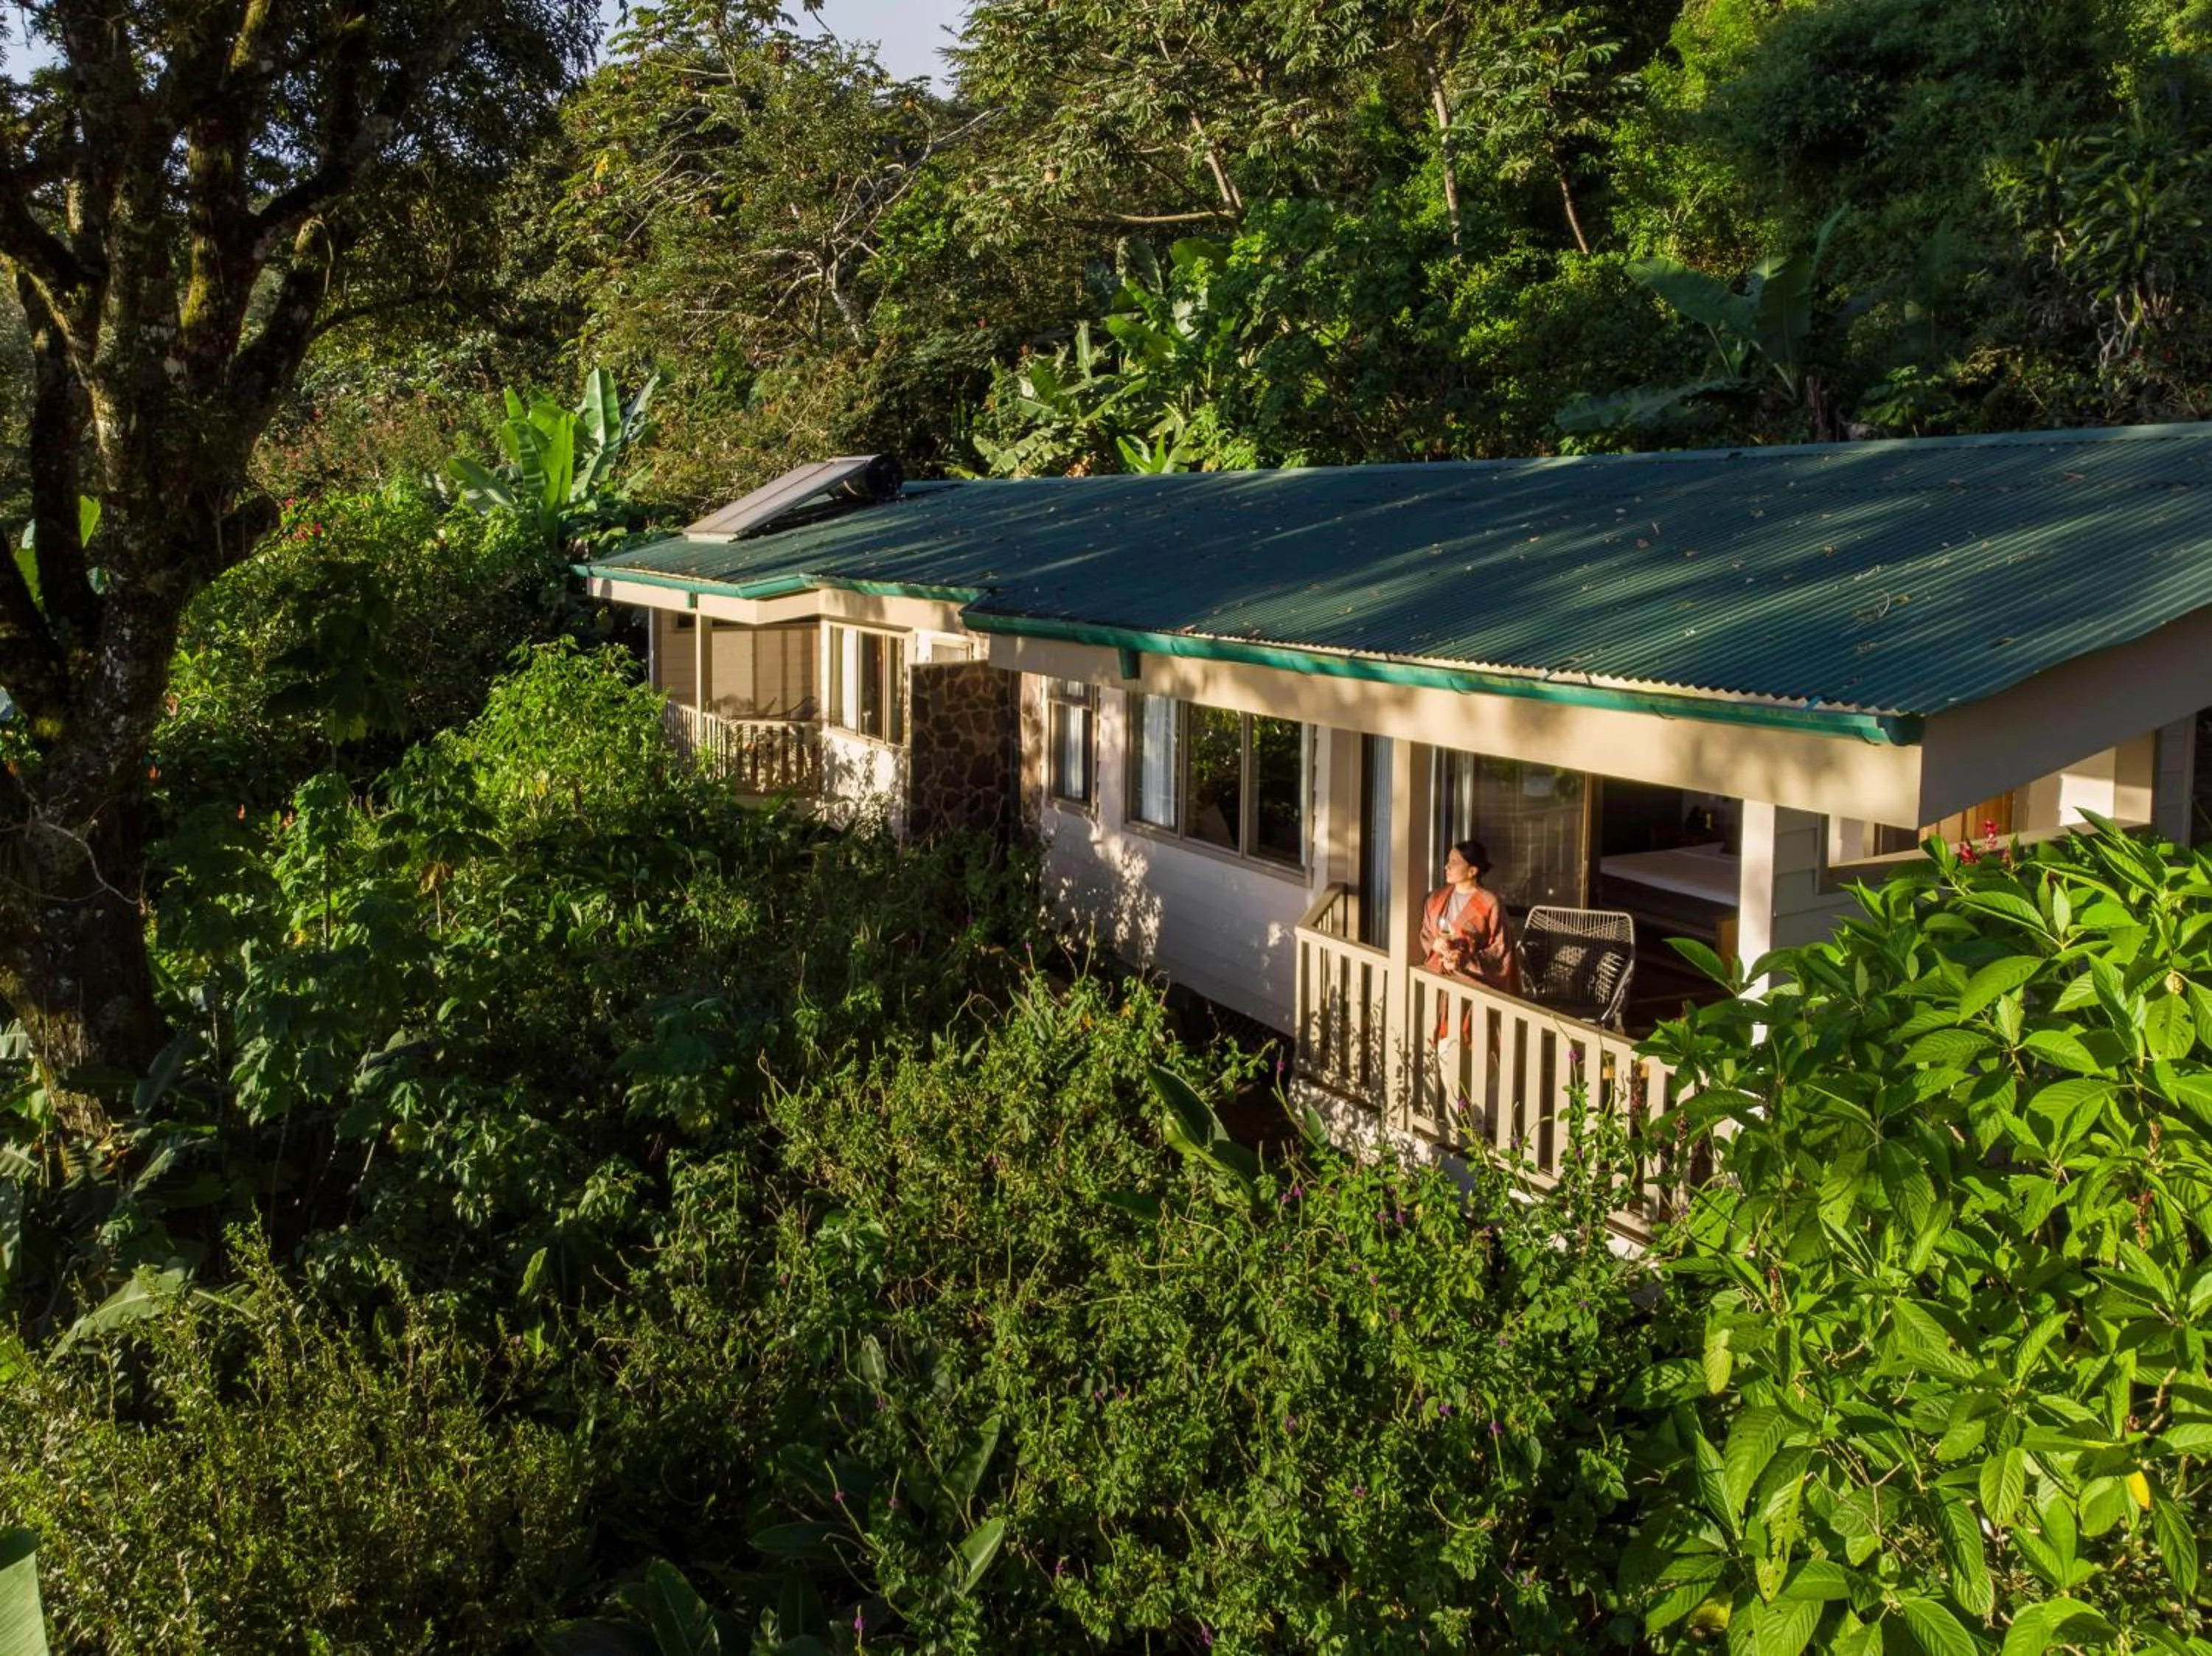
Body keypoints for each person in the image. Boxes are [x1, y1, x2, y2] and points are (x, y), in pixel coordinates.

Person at [1419, 838, 1522, 997]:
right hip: (1439, 982)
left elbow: (1500, 950)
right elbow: (1427, 934)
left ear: (1472, 871)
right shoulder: (1436, 898)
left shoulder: (1490, 903)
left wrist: (1465, 960)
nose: (1447, 866)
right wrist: (1436, 945)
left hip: (1472, 989)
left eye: (1454, 862)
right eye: (1448, 861)